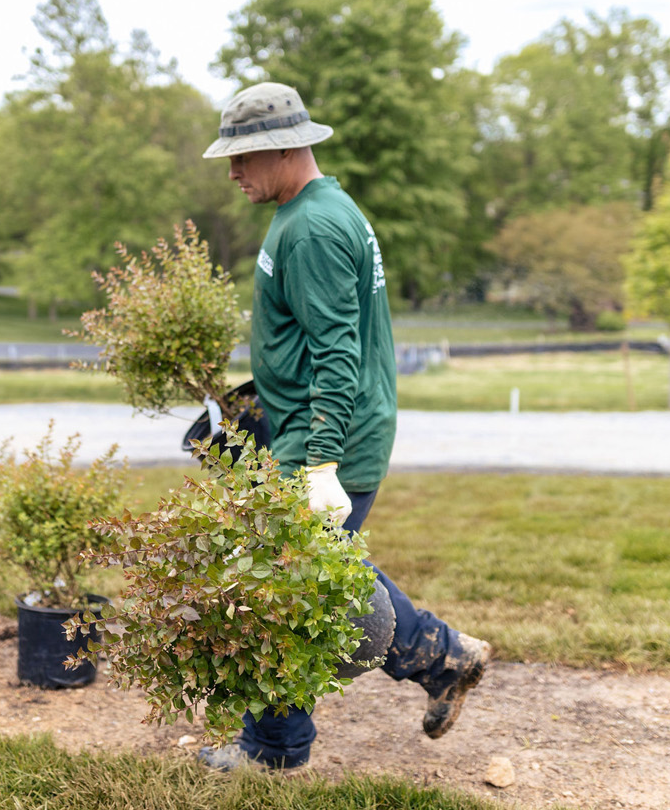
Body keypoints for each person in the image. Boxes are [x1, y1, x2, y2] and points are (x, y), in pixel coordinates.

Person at [196, 82, 491, 771]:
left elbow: (338, 354)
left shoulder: (315, 229)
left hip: (327, 440)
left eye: (242, 160)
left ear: (281, 150)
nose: (233, 173)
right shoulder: (310, 211)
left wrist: (320, 463)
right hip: (305, 428)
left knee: (275, 591)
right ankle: (443, 658)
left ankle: (273, 751)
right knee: (309, 576)